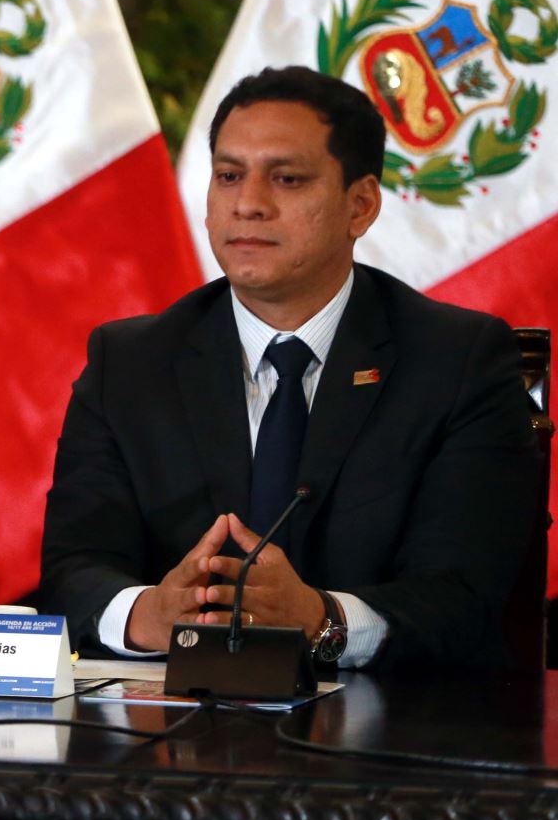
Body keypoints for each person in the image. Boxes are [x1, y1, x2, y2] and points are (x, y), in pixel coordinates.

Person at [38, 66, 542, 669]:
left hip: (387, 735)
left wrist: (322, 621)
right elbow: (72, 570)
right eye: (228, 176)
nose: (248, 204)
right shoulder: (130, 363)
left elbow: (464, 596)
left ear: (360, 206)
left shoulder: (457, 361)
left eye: (287, 178)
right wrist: (149, 613)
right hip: (173, 727)